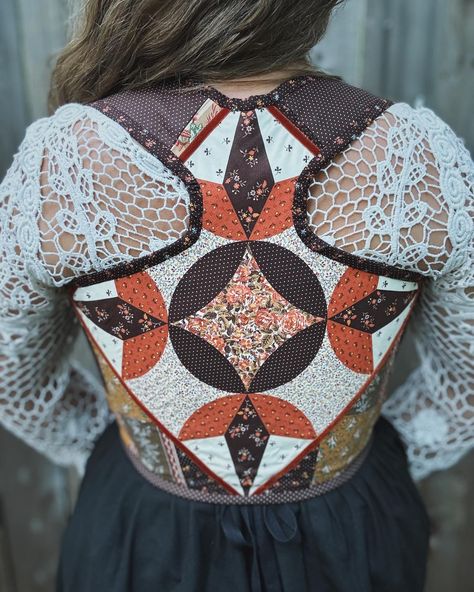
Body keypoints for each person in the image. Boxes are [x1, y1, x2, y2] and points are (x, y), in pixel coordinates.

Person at [0, 1, 472, 591]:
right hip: (352, 533)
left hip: (143, 531)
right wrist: (349, 450)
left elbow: (14, 374)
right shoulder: (419, 156)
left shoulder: (64, 160)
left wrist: (146, 444)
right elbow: (467, 381)